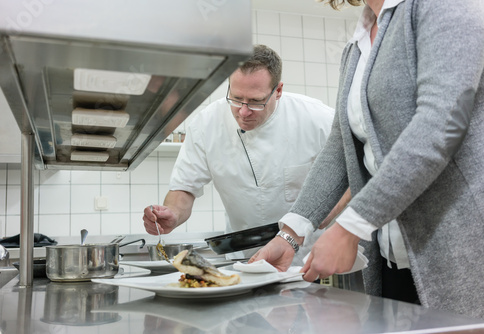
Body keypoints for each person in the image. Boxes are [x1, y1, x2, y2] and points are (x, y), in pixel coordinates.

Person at [250, 0, 484, 319]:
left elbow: (440, 124)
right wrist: (290, 232)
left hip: (460, 253)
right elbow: (341, 142)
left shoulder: (443, 6)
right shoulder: (360, 40)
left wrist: (350, 226)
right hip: (394, 256)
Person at [142, 44, 336, 259]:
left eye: (255, 101)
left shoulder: (318, 120)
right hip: (242, 258)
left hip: (305, 258)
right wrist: (173, 214)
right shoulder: (206, 123)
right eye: (235, 98)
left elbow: (353, 175)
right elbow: (184, 188)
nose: (243, 112)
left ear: (278, 91)